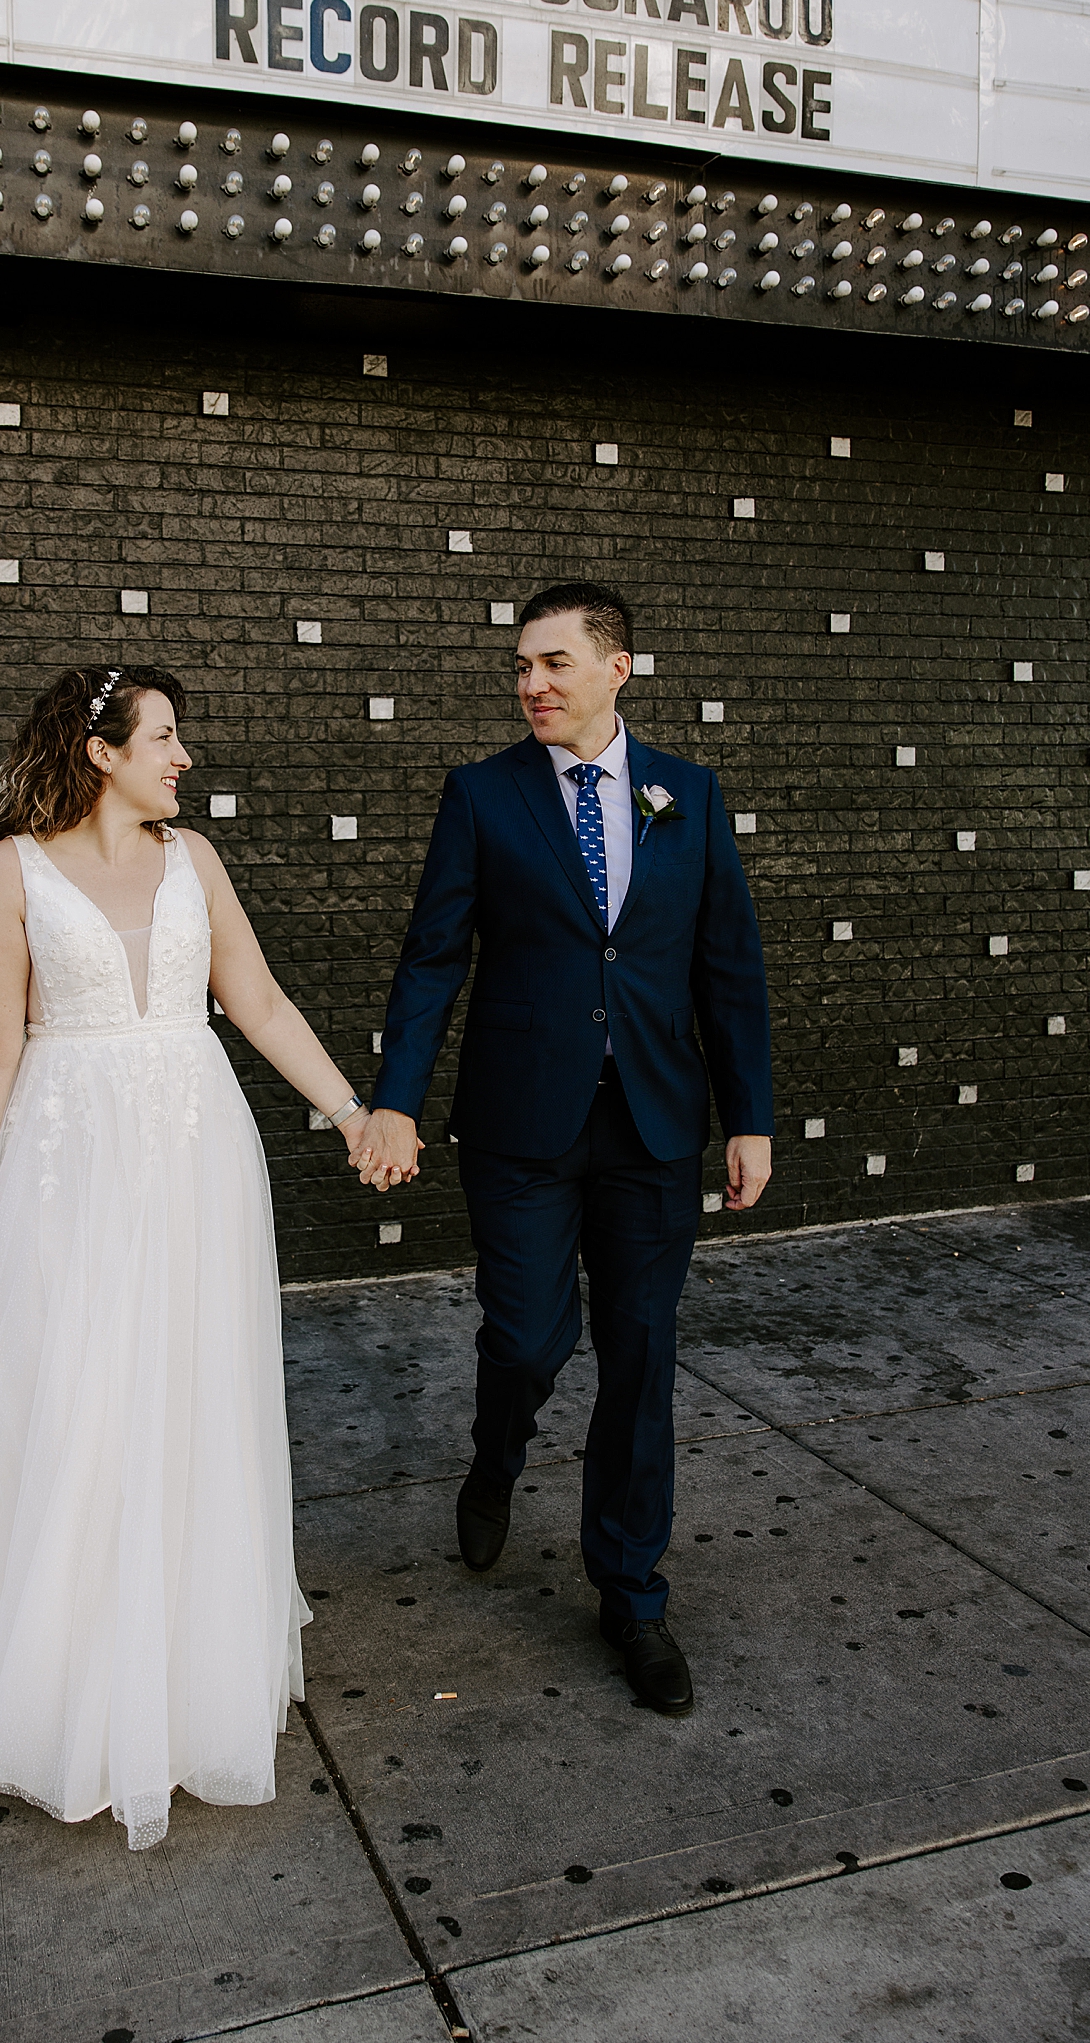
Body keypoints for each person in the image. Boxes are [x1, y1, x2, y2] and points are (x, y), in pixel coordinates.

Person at [0, 665, 373, 1848]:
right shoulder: (8, 872)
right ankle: (73, 1688)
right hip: (67, 1165)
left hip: (194, 1155)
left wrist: (349, 1111)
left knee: (187, 1395)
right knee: (78, 1399)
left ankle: (182, 1679)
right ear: (101, 748)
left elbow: (260, 1002)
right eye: (166, 736)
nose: (185, 756)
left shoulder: (195, 861)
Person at [350, 581, 773, 1716]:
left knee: (640, 1357)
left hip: (653, 1125)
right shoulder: (483, 795)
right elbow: (432, 955)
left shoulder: (688, 792)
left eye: (553, 663)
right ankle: (497, 1454)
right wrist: (394, 1097)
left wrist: (752, 1115)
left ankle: (632, 1594)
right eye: (522, 667)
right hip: (520, 1124)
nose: (531, 684)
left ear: (617, 666)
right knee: (531, 1338)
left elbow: (727, 967)